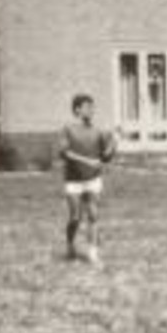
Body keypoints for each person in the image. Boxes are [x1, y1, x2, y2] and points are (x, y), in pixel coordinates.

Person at [59, 92, 116, 263]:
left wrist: (114, 142)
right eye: (87, 107)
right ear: (77, 110)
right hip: (73, 180)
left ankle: (93, 252)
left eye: (93, 107)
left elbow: (105, 158)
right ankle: (70, 244)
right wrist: (87, 161)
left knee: (93, 215)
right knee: (75, 217)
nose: (92, 110)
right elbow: (64, 153)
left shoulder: (98, 131)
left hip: (93, 179)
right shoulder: (67, 129)